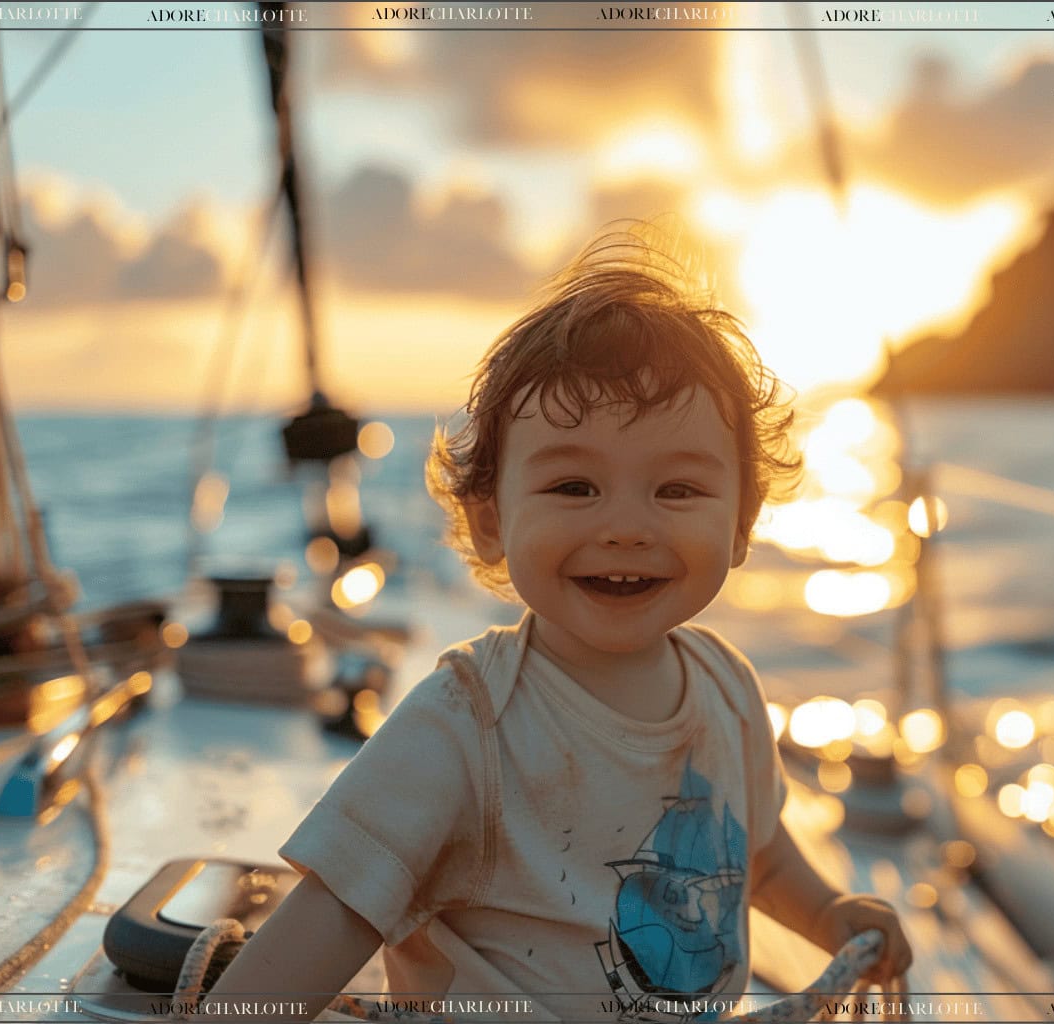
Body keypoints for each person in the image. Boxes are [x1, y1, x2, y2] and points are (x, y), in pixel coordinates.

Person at [206, 229, 912, 1022]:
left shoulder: (729, 689)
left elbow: (758, 851)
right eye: (575, 486)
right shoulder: (465, 724)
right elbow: (335, 910)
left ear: (742, 523)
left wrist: (827, 915)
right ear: (489, 522)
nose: (625, 526)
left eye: (677, 491)